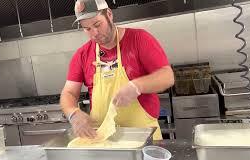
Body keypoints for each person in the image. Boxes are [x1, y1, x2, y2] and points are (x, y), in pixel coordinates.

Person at [60, 0, 174, 140]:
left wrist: (137, 86)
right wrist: (73, 113)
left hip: (144, 137)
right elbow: (69, 92)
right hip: (103, 139)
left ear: (109, 14)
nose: (94, 33)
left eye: (97, 24)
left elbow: (167, 76)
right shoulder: (82, 55)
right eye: (87, 29)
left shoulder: (139, 39)